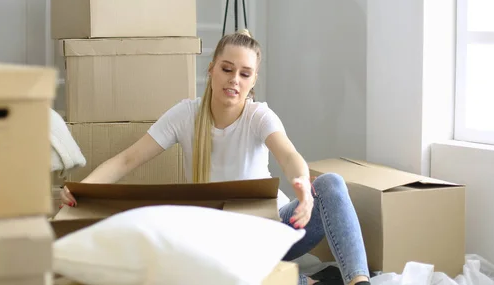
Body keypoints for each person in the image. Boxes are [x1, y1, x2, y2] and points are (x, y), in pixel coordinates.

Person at [60, 29, 370, 285]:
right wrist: (82, 189)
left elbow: (288, 154)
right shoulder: (185, 115)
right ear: (211, 70)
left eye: (244, 74)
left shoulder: (258, 116)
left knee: (330, 183)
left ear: (252, 81)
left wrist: (302, 187)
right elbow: (127, 160)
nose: (234, 79)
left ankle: (358, 282)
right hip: (224, 242)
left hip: (277, 229)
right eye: (227, 69)